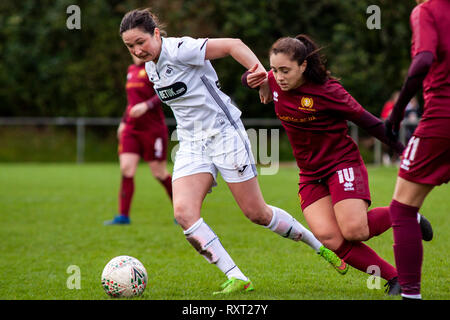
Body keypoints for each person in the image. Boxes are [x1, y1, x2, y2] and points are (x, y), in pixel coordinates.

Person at [119, 8, 348, 295]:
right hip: (191, 143)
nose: (137, 50)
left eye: (141, 42)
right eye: (130, 46)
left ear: (155, 33)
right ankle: (236, 276)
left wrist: (262, 76)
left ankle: (318, 245)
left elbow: (233, 45)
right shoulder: (151, 67)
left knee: (257, 213)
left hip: (224, 134)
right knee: (183, 213)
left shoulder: (181, 49)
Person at [243, 34, 433, 296]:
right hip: (310, 174)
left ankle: (405, 214)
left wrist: (405, 151)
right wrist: (253, 80)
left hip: (341, 164)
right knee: (330, 238)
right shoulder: (274, 82)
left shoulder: (329, 91)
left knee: (355, 231)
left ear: (303, 66)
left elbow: (371, 123)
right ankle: (394, 278)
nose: (279, 76)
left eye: (285, 70)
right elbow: (252, 77)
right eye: (274, 69)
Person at [385, 0, 449, 300]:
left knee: (402, 209)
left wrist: (396, 113)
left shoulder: (427, 10)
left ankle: (411, 296)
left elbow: (423, 59)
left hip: (442, 122)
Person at [104, 54, 173, 225]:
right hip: (131, 129)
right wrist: (123, 122)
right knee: (126, 169)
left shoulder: (154, 68)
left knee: (159, 173)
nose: (135, 51)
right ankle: (123, 216)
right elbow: (131, 102)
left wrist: (146, 105)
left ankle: (182, 210)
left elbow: (164, 92)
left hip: (153, 129)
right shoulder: (131, 70)